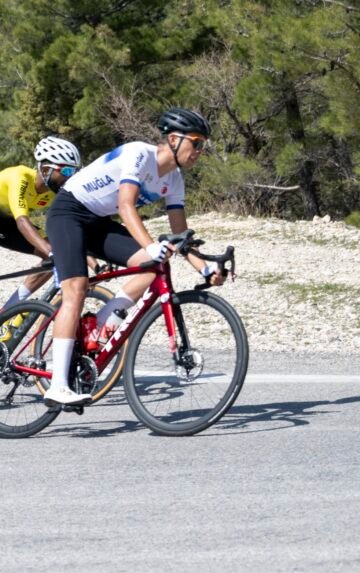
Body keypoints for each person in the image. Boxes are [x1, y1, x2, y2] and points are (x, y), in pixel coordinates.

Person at [42, 108, 224, 406]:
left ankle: (100, 323)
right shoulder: (139, 154)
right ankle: (58, 385)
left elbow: (181, 235)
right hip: (68, 212)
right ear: (174, 140)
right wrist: (151, 245)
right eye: (196, 142)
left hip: (97, 222)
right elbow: (126, 206)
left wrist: (205, 269)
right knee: (76, 288)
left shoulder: (175, 180)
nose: (200, 151)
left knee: (153, 267)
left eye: (203, 145)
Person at [0, 136, 82, 382]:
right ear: (45, 168)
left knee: (55, 254)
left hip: (5, 223)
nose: (70, 177)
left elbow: (65, 226)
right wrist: (52, 250)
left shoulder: (54, 194)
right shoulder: (21, 177)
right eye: (66, 171)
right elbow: (23, 222)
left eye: (74, 172)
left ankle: (9, 310)